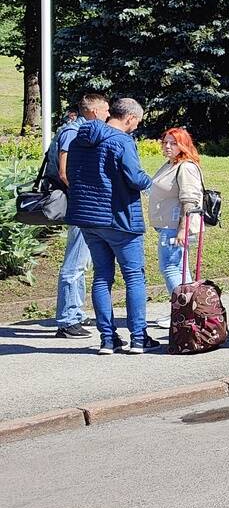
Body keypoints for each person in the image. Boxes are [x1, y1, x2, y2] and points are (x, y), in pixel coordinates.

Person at [66, 98, 154, 354]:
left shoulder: (78, 140)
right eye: (137, 122)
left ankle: (107, 339)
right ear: (130, 118)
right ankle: (138, 337)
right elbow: (134, 178)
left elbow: (71, 174)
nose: (136, 127)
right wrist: (152, 181)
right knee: (134, 276)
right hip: (119, 218)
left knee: (102, 277)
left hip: (88, 219)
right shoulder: (122, 141)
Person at [48, 92, 109, 338]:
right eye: (105, 110)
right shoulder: (73, 132)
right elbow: (64, 172)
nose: (108, 115)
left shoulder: (78, 130)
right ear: (93, 111)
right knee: (75, 262)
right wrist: (83, 196)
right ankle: (68, 320)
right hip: (78, 205)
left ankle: (77, 313)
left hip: (80, 204)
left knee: (81, 260)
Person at [147, 128, 203, 307]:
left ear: (183, 145)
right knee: (180, 269)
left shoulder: (185, 167)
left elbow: (189, 200)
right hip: (168, 226)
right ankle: (189, 311)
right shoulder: (170, 164)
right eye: (165, 142)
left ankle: (182, 310)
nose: (168, 146)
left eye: (174, 143)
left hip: (175, 226)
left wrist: (182, 229)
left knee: (170, 268)